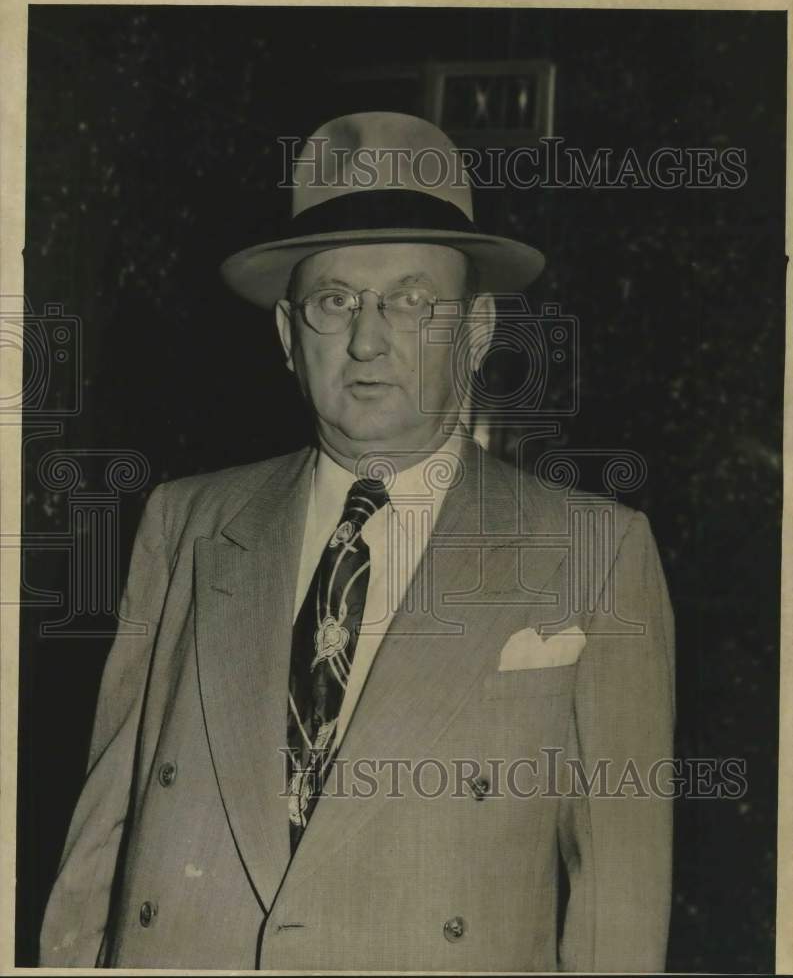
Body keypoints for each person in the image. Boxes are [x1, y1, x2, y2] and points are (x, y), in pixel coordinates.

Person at [39, 112, 675, 972]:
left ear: (477, 331)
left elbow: (618, 914)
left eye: (411, 300)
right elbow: (98, 840)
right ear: (286, 337)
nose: (367, 339)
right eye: (334, 301)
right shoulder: (184, 522)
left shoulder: (594, 551)